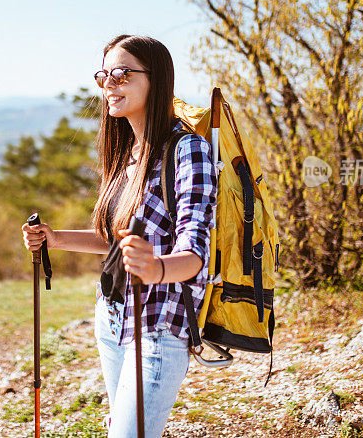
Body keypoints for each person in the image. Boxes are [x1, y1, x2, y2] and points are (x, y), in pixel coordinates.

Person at [21, 34, 216, 438]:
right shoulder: (128, 151)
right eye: (104, 74)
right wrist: (54, 238)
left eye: (123, 74)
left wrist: (156, 267)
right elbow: (116, 241)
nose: (109, 83)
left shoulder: (187, 151)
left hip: (158, 325)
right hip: (110, 317)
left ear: (155, 79)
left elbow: (196, 252)